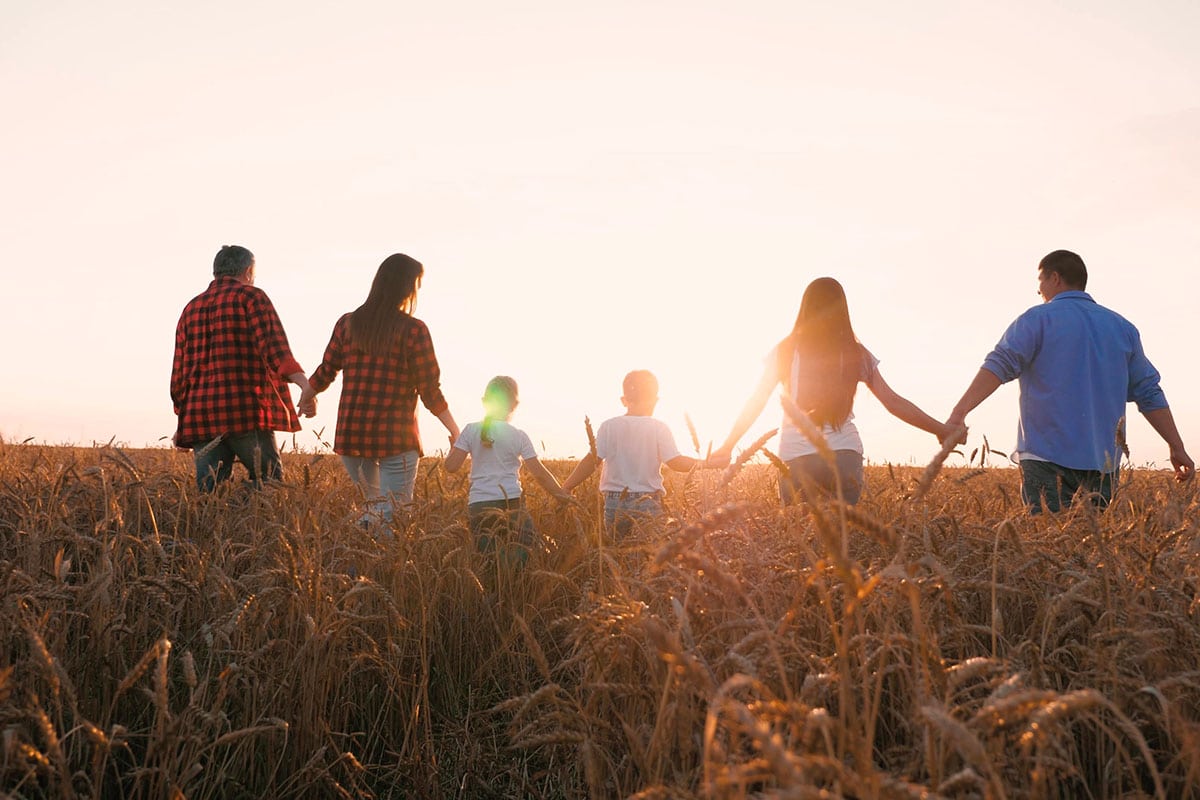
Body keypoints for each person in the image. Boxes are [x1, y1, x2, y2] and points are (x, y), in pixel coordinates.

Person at [945, 249, 1193, 513]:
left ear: (1054, 278)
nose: (1038, 291)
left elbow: (999, 365)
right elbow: (1149, 392)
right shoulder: (1123, 328)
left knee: (1048, 544)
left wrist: (959, 412)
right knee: (1091, 550)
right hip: (1103, 463)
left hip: (1045, 457)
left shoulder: (1037, 319)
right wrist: (1176, 447)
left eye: (1039, 282)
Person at [709, 277, 952, 505]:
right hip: (844, 456)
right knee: (840, 541)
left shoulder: (785, 351)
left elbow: (757, 401)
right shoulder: (855, 353)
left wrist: (728, 445)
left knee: (801, 543)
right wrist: (941, 430)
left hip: (796, 459)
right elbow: (892, 402)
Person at [307, 254, 460, 523]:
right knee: (394, 515)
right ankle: (362, 560)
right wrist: (454, 430)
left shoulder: (347, 323)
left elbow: (326, 370)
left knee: (373, 508)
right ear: (406, 287)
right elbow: (429, 390)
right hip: (396, 438)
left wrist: (307, 396)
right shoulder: (414, 330)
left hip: (353, 436)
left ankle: (354, 558)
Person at [171, 245, 315, 491]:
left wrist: (182, 422)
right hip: (245, 412)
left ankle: (212, 529)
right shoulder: (251, 297)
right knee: (270, 488)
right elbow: (276, 351)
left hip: (200, 417)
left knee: (209, 497)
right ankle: (248, 514)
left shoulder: (190, 308)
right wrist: (306, 386)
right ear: (248, 271)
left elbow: (180, 376)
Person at [561, 370, 703, 536]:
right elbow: (676, 462)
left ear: (623, 400)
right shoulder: (659, 427)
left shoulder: (608, 426)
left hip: (615, 503)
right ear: (656, 400)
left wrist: (567, 486)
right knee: (650, 556)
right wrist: (705, 462)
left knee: (618, 553)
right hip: (649, 503)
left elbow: (591, 461)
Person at [443, 376, 571, 561]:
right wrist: (561, 495)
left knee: (487, 559)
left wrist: (453, 448)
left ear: (484, 402)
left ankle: (492, 588)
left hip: (480, 505)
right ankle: (518, 586)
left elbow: (451, 466)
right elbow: (540, 474)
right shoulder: (518, 436)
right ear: (513, 406)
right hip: (513, 504)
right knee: (526, 554)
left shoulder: (470, 430)